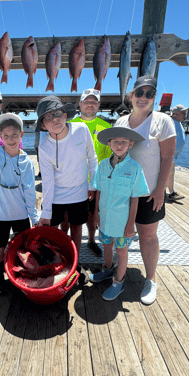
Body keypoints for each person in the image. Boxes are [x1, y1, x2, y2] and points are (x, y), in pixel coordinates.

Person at [115, 75, 176, 305]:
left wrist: (161, 189)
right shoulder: (120, 123)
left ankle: (150, 279)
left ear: (154, 98)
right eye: (139, 93)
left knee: (148, 236)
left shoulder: (163, 121)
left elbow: (168, 157)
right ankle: (117, 272)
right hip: (123, 192)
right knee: (120, 234)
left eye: (149, 94)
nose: (143, 97)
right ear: (131, 96)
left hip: (149, 191)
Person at [36, 96, 97, 283]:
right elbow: (47, 181)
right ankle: (59, 262)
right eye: (48, 117)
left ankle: (75, 264)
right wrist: (45, 211)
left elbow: (92, 158)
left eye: (57, 113)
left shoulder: (82, 129)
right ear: (43, 126)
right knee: (55, 231)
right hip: (56, 195)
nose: (55, 119)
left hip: (80, 192)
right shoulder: (44, 146)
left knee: (77, 227)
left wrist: (92, 185)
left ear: (65, 115)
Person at [90, 127, 149, 301]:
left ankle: (119, 281)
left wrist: (131, 224)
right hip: (104, 218)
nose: (119, 145)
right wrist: (95, 214)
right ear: (109, 144)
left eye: (124, 142)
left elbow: (135, 198)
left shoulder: (135, 167)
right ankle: (107, 270)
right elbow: (98, 191)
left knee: (122, 250)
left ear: (130, 144)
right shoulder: (102, 165)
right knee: (106, 245)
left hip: (123, 221)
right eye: (115, 141)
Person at [0, 113, 38, 293]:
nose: (10, 139)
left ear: (22, 135)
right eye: (5, 136)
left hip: (21, 214)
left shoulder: (27, 161)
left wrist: (33, 216)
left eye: (14, 135)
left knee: (23, 247)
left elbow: (30, 191)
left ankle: (20, 273)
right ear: (0, 136)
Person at [69, 88, 113, 257]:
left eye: (93, 102)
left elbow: (110, 158)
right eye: (86, 101)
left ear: (99, 105)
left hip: (96, 180)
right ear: (80, 104)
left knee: (92, 214)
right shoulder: (71, 124)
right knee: (70, 216)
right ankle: (70, 243)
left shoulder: (106, 127)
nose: (90, 104)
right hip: (74, 179)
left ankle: (91, 240)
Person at [166, 104, 188, 201]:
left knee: (169, 173)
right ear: (175, 113)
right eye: (183, 113)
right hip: (167, 155)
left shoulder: (178, 122)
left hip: (172, 155)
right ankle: (171, 193)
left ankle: (168, 191)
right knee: (169, 173)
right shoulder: (171, 122)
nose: (185, 114)